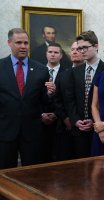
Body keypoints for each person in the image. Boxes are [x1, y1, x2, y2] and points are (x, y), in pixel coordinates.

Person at [0, 28, 55, 169]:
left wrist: (49, 94)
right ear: (9, 43)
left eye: (26, 43)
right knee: (5, 176)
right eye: (19, 43)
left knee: (32, 175)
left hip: (32, 133)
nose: (23, 46)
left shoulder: (41, 69)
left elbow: (45, 102)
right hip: (4, 132)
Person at [66, 30, 104, 158]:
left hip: (100, 127)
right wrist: (76, 120)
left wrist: (95, 120)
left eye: (85, 47)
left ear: (96, 46)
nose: (82, 51)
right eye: (80, 48)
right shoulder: (75, 72)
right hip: (79, 129)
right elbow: (70, 99)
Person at [41, 42, 71, 162]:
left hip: (60, 123)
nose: (53, 55)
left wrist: (56, 114)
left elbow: (67, 99)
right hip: (40, 122)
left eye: (56, 52)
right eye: (50, 52)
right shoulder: (38, 71)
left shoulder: (67, 73)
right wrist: (41, 114)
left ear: (61, 55)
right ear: (46, 54)